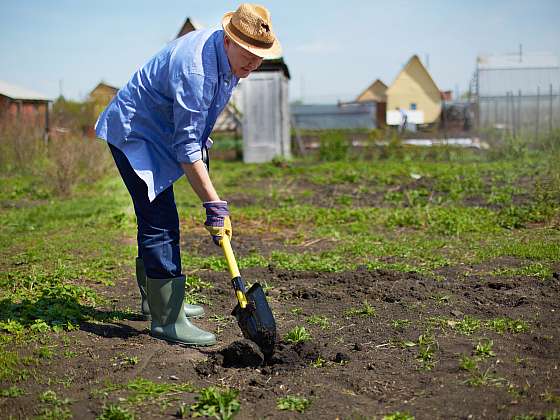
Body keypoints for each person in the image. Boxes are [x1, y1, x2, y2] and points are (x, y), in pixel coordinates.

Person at [95, 4, 282, 346]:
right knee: (160, 219)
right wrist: (213, 203)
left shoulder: (228, 63)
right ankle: (167, 320)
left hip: (160, 132)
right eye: (249, 54)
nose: (254, 63)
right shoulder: (197, 70)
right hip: (134, 134)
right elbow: (187, 147)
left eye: (260, 56)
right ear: (229, 40)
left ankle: (156, 302)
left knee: (155, 216)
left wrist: (212, 201)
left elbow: (197, 133)